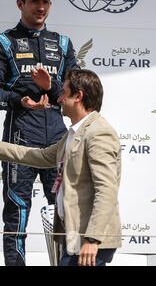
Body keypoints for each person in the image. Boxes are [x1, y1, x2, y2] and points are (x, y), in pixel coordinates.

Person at [0, 68, 121, 266]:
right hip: (76, 238)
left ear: (78, 96)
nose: (59, 99)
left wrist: (93, 238)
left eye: (63, 92)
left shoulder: (99, 133)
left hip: (89, 243)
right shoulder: (72, 134)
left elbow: (106, 190)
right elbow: (38, 156)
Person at [0, 0, 79, 265]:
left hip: (58, 138)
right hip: (20, 137)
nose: (41, 6)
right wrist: (18, 100)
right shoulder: (5, 42)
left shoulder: (63, 43)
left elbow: (77, 93)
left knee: (65, 209)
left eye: (46, 1)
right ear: (21, 3)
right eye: (34, 0)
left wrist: (50, 87)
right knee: (17, 209)